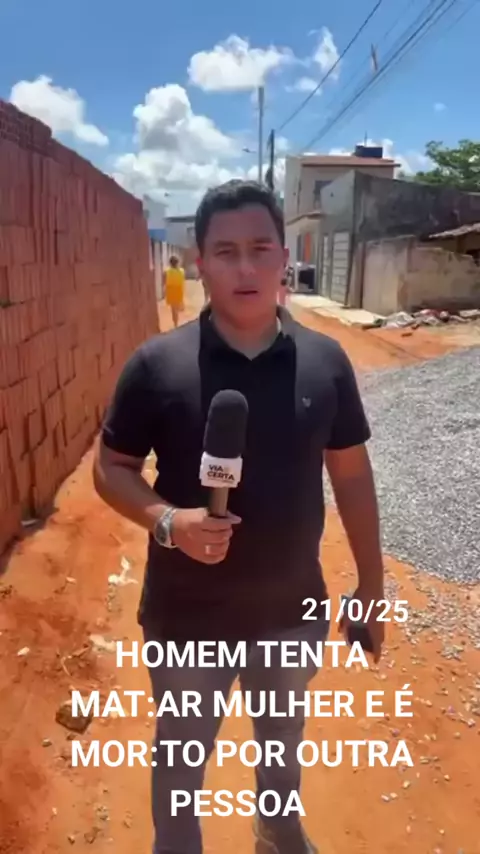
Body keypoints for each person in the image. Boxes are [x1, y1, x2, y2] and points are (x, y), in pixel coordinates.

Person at [93, 179, 385, 854]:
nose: (245, 268)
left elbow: (351, 475)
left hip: (291, 614)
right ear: (200, 263)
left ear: (285, 256)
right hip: (186, 618)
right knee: (181, 756)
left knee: (282, 741)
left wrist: (371, 587)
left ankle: (276, 831)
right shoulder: (156, 366)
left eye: (260, 249)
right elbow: (110, 469)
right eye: (226, 252)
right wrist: (171, 522)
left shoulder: (326, 362)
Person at [163, 254, 185, 327]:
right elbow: (182, 282)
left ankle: (175, 323)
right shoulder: (181, 271)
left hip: (171, 292)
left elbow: (164, 282)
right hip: (178, 292)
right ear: (177, 262)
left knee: (173, 310)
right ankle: (176, 323)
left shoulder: (166, 271)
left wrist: (164, 291)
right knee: (176, 309)